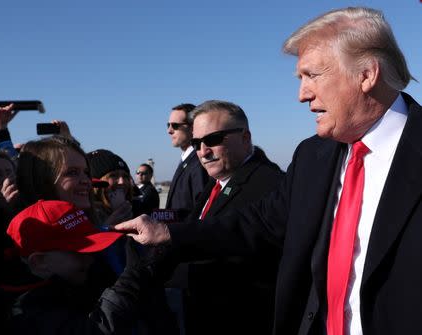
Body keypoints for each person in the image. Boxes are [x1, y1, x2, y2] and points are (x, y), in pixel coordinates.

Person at [116, 7, 420, 335]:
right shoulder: (311, 157)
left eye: (312, 75)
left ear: (366, 74)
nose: (302, 95)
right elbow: (258, 222)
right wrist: (168, 233)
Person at [174, 100, 285, 335]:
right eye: (196, 143)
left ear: (245, 138)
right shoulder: (215, 184)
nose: (203, 151)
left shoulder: (271, 185)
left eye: (213, 140)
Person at [5, 199, 177, 335]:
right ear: (39, 263)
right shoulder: (25, 311)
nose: (90, 260)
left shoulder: (73, 281)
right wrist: (131, 277)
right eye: (81, 252)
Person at [165, 103, 208, 218]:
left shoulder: (198, 163)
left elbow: (201, 211)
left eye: (175, 125)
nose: (169, 130)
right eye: (168, 125)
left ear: (193, 127)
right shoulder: (187, 160)